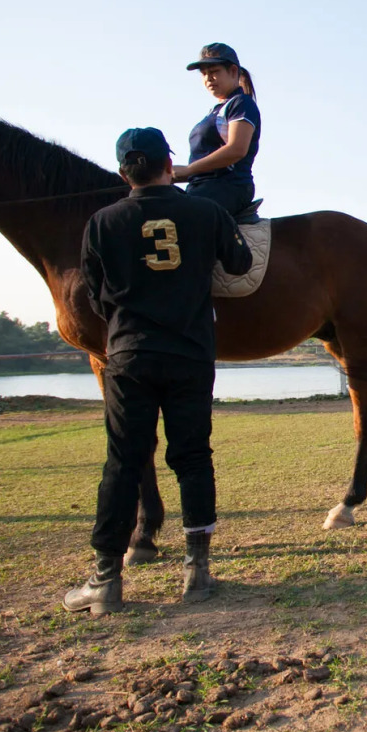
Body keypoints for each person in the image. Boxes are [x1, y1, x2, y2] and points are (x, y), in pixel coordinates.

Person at [64, 127, 252, 615]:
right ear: (170, 164)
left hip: (129, 355)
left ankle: (106, 581)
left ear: (124, 173)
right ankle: (197, 573)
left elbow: (94, 293)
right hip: (190, 355)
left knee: (123, 462)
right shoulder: (206, 212)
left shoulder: (101, 222)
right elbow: (240, 263)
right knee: (193, 458)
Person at [173, 42, 261, 218]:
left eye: (214, 71)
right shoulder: (215, 110)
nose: (208, 78)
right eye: (204, 74)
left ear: (233, 71)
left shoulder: (241, 104)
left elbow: (236, 149)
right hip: (202, 187)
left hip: (228, 186)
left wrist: (188, 170)